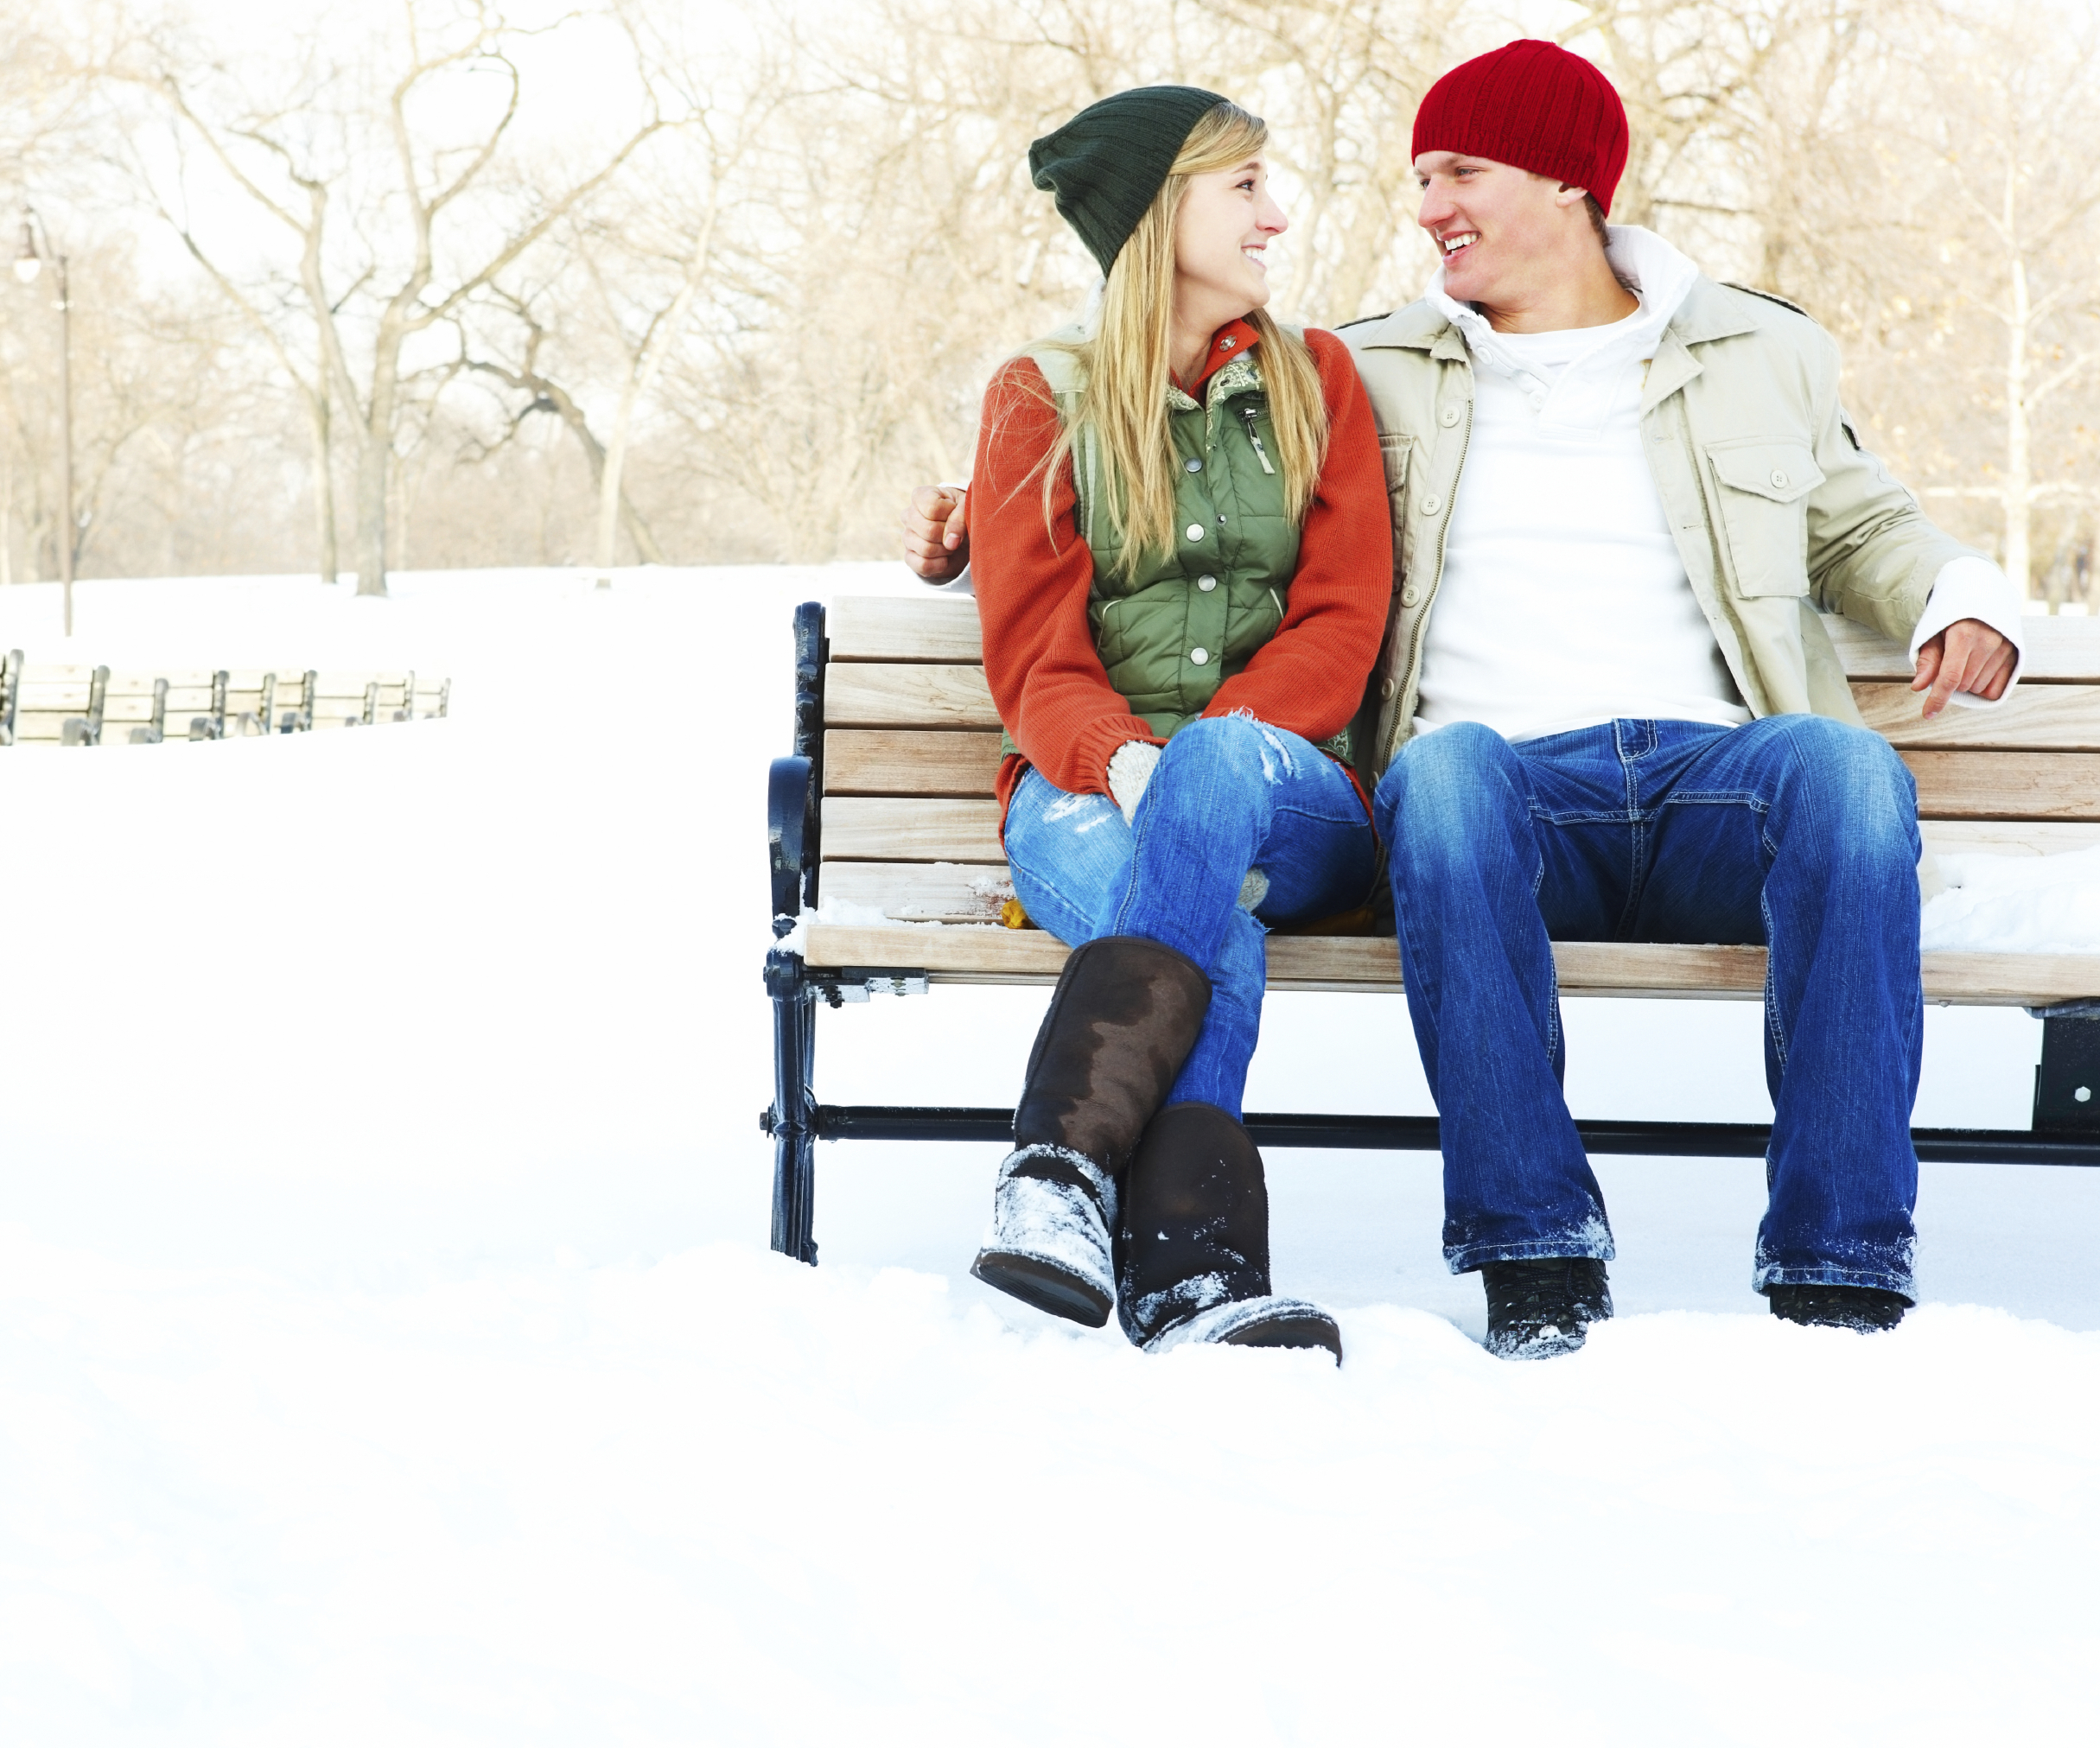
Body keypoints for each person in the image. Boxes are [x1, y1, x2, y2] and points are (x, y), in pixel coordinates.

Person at [907, 41, 2026, 1359]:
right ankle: (1525, 1254)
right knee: (1435, 775)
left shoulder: (1753, 351)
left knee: (1844, 768)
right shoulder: (1379, 366)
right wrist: (973, 518)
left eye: (1458, 171)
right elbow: (1169, 438)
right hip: (1491, 791)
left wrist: (1957, 589)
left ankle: (1841, 1268)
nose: (1423, 203)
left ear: (1567, 181)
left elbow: (1856, 525)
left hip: (1716, 782)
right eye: (1417, 174)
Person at [958, 86, 1391, 1359]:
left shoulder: (1319, 380)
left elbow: (1341, 625)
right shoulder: (1040, 398)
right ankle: (1193, 1272)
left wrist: (1202, 760)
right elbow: (1035, 661)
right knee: (1219, 934)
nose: (1276, 211)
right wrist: (1119, 758)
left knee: (1209, 807)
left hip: (1290, 789)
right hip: (1081, 790)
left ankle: (1059, 1175)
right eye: (1242, 185)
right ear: (1161, 211)